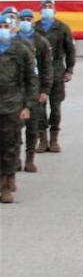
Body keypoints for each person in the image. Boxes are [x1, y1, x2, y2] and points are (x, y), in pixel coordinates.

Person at [0, 18, 36, 204]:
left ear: (12, 29)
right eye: (0, 27)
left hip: (13, 106)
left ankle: (7, 183)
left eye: (6, 27)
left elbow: (31, 79)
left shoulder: (21, 50)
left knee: (10, 145)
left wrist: (28, 106)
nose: (3, 30)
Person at [34, 0, 73, 154]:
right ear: (40, 10)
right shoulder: (34, 28)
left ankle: (54, 139)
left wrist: (69, 69)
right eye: (45, 7)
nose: (48, 9)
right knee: (39, 107)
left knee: (55, 106)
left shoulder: (62, 27)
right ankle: (42, 140)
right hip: (40, 73)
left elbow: (70, 49)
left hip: (57, 71)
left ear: (55, 10)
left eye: (50, 7)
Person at [14, 11, 50, 173]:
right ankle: (15, 160)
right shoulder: (12, 42)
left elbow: (45, 68)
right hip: (14, 93)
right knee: (13, 130)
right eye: (22, 19)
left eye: (29, 19)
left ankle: (30, 158)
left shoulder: (40, 41)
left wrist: (44, 90)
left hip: (33, 89)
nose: (25, 22)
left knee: (32, 126)